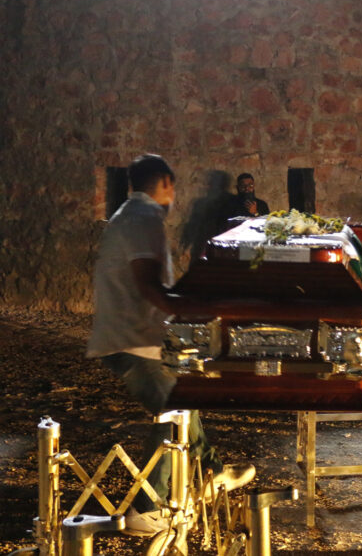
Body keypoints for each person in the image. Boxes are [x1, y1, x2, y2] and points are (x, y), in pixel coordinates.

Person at [86, 154, 254, 536]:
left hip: (131, 335)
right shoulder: (143, 219)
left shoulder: (127, 216)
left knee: (184, 399)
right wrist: (193, 309)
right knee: (173, 411)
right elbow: (148, 285)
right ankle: (150, 507)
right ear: (164, 182)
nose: (172, 195)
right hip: (136, 338)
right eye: (172, 187)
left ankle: (211, 472)